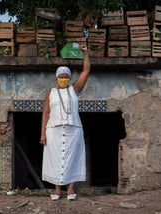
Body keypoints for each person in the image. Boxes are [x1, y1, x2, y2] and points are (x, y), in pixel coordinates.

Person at [40, 44, 90, 201]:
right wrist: (42, 133)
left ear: (69, 78)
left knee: (72, 158)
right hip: (53, 130)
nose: (63, 79)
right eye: (60, 77)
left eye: (66, 76)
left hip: (73, 129)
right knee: (55, 158)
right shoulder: (51, 93)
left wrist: (85, 53)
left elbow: (86, 71)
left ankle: (70, 190)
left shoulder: (74, 89)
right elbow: (46, 113)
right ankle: (57, 190)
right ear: (56, 78)